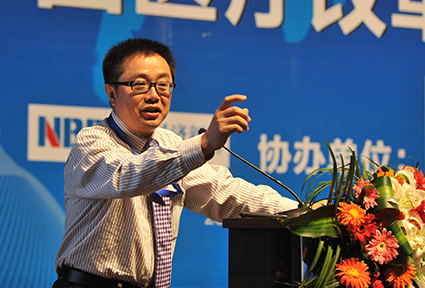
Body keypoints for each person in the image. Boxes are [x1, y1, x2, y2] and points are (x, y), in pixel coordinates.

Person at [53, 38, 300, 288]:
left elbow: (226, 193)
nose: (153, 95)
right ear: (112, 94)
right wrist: (203, 144)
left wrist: (305, 213)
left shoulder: (168, 144)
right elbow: (129, 174)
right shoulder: (92, 142)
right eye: (140, 84)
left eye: (163, 85)